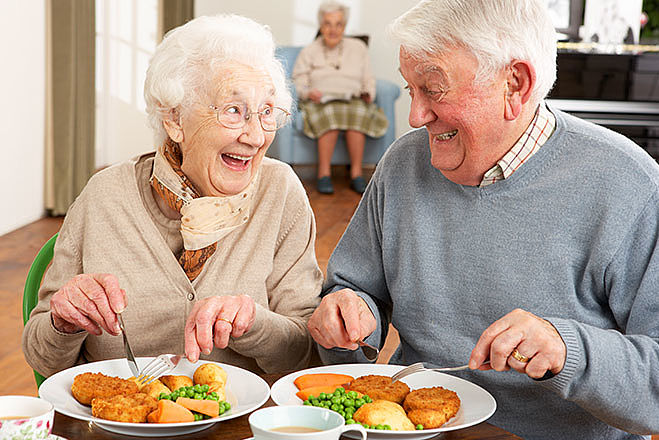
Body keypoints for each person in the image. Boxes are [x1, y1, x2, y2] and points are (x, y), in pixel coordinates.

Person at [307, 0, 659, 439]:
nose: (415, 116)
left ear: (515, 84)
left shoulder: (630, 184)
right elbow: (355, 290)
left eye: (433, 89)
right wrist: (348, 314)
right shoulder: (402, 164)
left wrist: (568, 349)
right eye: (410, 89)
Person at [23, 14, 323, 377]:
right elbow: (43, 356)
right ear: (174, 120)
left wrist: (254, 325)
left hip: (241, 428)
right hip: (118, 425)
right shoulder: (104, 196)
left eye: (266, 113)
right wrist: (63, 321)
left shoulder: (280, 193)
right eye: (234, 111)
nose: (256, 136)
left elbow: (306, 354)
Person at [292, 0, 388, 194]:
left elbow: (368, 77)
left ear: (344, 26)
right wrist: (308, 92)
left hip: (352, 98)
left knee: (358, 114)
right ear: (321, 26)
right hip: (321, 101)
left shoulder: (358, 48)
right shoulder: (309, 51)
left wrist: (368, 93)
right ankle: (324, 174)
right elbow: (298, 79)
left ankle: (356, 174)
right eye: (328, 24)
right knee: (330, 115)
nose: (333, 29)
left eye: (338, 24)